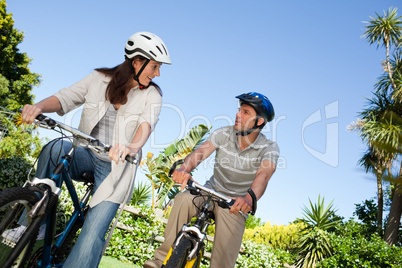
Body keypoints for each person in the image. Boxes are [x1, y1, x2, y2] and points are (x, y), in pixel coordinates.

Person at [20, 31, 171, 268]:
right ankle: (32, 226)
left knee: (92, 235)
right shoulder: (98, 78)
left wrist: (130, 147)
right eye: (154, 66)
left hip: (115, 167)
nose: (158, 73)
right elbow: (64, 98)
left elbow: (146, 125)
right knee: (54, 148)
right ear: (137, 62)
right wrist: (36, 107)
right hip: (85, 153)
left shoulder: (152, 95)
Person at [143, 92, 280, 268]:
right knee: (183, 199)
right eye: (239, 110)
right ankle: (161, 260)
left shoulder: (269, 148)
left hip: (235, 205)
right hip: (210, 191)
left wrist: (249, 199)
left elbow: (264, 174)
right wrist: (184, 169)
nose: (238, 114)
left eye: (246, 112)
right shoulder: (224, 133)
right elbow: (199, 153)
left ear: (259, 121)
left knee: (223, 260)